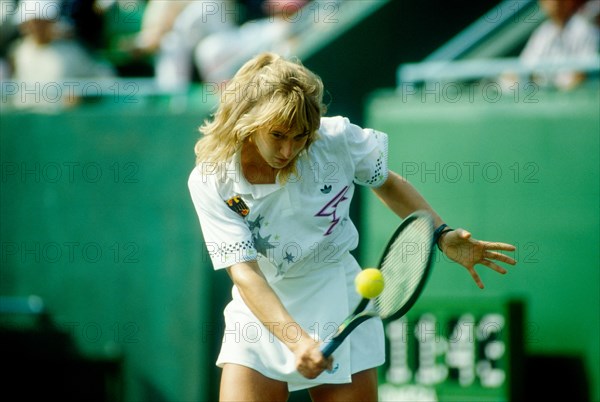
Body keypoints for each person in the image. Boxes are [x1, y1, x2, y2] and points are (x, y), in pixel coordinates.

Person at [187, 52, 517, 401]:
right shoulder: (213, 180)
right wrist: (296, 340)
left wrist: (441, 233)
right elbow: (245, 274)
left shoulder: (335, 140)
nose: (288, 149)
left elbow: (387, 183)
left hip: (339, 297)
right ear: (248, 122)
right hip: (261, 310)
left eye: (300, 137)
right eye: (278, 135)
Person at [517, 0, 599, 90]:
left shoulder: (586, 31)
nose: (554, 3)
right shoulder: (542, 33)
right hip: (548, 98)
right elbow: (524, 66)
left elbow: (582, 74)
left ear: (568, 2)